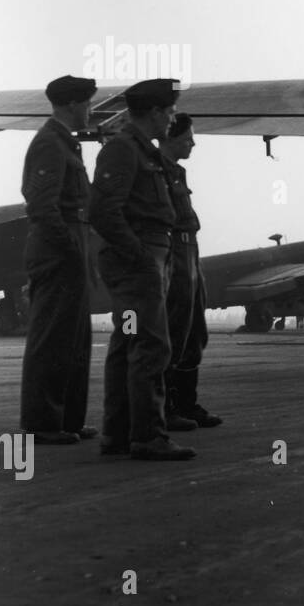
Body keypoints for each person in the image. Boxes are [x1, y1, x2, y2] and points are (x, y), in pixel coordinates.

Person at [90, 78, 195, 461]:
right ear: (153, 112)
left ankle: (117, 434)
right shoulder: (123, 150)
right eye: (168, 111)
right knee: (151, 345)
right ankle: (148, 436)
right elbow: (102, 211)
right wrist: (138, 257)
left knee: (127, 342)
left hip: (147, 258)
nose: (171, 118)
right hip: (140, 264)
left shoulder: (138, 149)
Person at [19, 75, 98, 445]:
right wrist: (68, 248)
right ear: (70, 105)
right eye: (86, 103)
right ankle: (43, 423)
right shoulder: (50, 143)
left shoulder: (64, 143)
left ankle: (66, 419)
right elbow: (41, 205)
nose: (89, 110)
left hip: (71, 245)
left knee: (75, 338)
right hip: (58, 250)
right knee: (52, 337)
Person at [160, 113, 221, 428]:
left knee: (195, 329)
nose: (193, 143)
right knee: (175, 330)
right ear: (171, 138)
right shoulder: (157, 170)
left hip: (190, 252)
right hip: (174, 253)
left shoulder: (177, 172)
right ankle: (168, 408)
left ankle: (187, 403)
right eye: (187, 138)